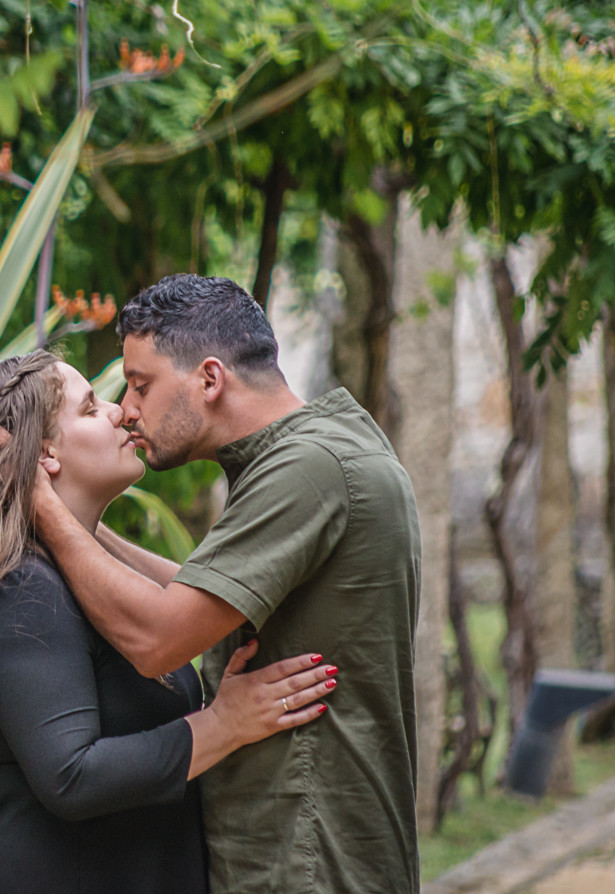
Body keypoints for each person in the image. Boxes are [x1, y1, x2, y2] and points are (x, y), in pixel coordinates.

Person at [32, 274, 421, 893]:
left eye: (140, 385)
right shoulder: (319, 449)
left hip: (308, 863)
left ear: (209, 379)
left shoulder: (309, 468)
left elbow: (159, 637)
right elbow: (191, 596)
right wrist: (82, 525)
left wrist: (43, 508)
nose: (126, 410)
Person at [0, 350, 339, 893]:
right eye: (90, 408)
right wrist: (222, 724)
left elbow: (182, 608)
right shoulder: (24, 591)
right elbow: (72, 775)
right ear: (45, 455)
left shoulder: (79, 579)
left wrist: (43, 505)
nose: (119, 413)